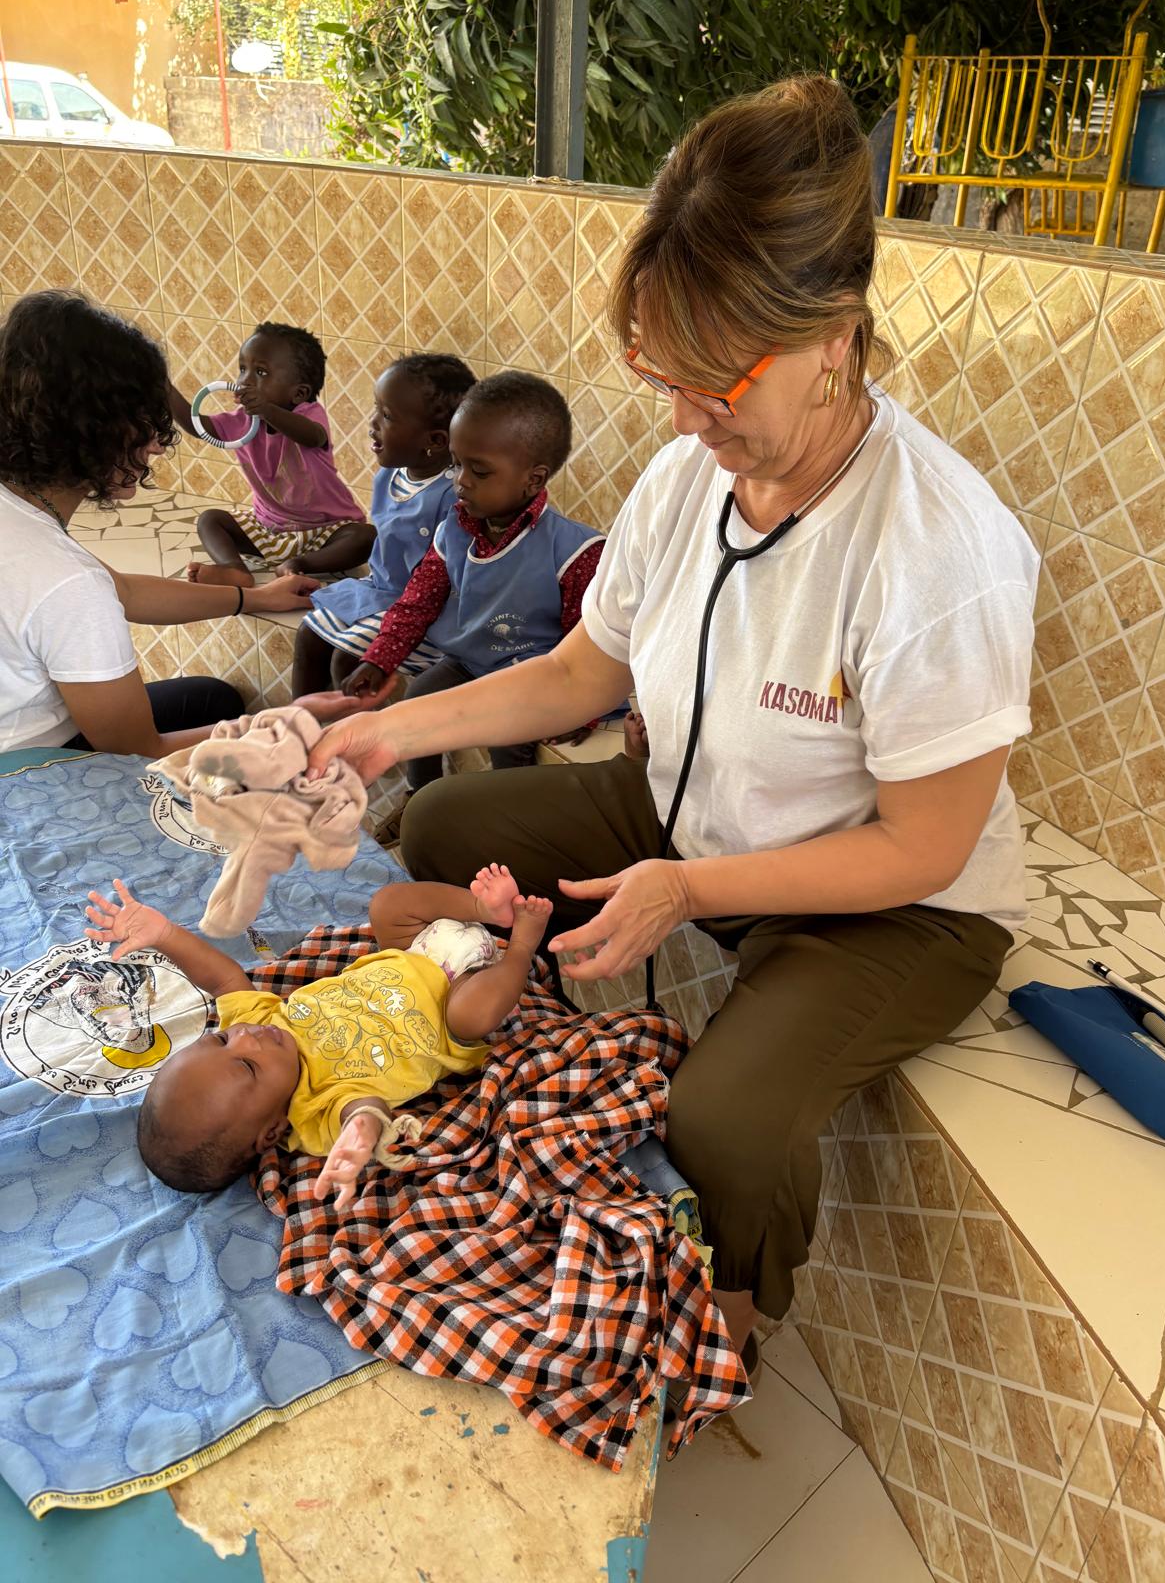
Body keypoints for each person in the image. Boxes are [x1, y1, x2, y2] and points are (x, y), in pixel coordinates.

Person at [308, 78, 1039, 1374]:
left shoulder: (942, 551)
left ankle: (731, 1332)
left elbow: (927, 846)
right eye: (663, 373)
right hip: (698, 810)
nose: (689, 418)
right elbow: (585, 674)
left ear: (837, 335)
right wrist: (381, 729)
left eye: (720, 380)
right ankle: (492, 1044)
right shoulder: (688, 473)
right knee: (439, 817)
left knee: (733, 1120)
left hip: (897, 898)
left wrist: (690, 885)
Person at [0, 291, 357, 764]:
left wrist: (254, 598)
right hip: (29, 778)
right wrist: (287, 724)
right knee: (231, 728)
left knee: (211, 699)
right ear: (97, 427)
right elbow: (137, 750)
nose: (158, 445)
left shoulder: (24, 519)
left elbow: (121, 590)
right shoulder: (67, 584)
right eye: (146, 420)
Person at [84, 870, 552, 1205]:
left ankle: (481, 909)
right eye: (247, 1065)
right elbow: (362, 1109)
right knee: (474, 1017)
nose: (246, 1037)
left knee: (388, 904)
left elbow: (226, 980)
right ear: (270, 1132)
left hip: (414, 949)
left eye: (221, 1041)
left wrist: (164, 933)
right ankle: (522, 948)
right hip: (457, 1000)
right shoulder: (312, 1112)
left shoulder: (260, 1026)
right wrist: (361, 1133)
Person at [342, 370, 606, 804]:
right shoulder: (454, 531)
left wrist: (584, 708)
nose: (460, 481)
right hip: (471, 663)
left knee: (510, 737)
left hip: (532, 679)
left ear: (534, 480)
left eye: (478, 471)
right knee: (420, 696)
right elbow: (416, 605)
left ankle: (508, 817)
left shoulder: (576, 552)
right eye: (456, 463)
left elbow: (593, 643)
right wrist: (380, 660)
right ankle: (419, 798)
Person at [291, 353, 476, 699]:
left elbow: (449, 584)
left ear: (434, 442)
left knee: (347, 660)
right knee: (309, 635)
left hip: (424, 614)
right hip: (380, 589)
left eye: (387, 416)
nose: (372, 423)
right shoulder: (390, 474)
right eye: (377, 408)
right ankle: (299, 730)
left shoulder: (453, 497)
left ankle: (355, 748)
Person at [169, 322, 370, 587]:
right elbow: (199, 426)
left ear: (299, 393)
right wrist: (162, 388)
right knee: (210, 520)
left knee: (366, 537)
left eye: (261, 372)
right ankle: (235, 570)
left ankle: (299, 565)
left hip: (326, 530)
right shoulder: (241, 421)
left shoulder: (309, 414)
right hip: (268, 528)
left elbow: (313, 436)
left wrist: (265, 409)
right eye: (243, 369)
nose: (245, 380)